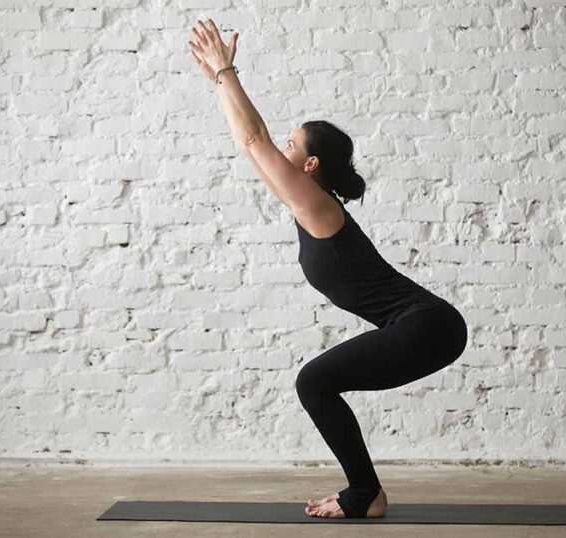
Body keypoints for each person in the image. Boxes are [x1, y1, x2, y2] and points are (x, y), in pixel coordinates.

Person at [188, 19, 468, 519]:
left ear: (311, 166)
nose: (282, 149)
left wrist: (228, 70)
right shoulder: (307, 204)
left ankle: (365, 493)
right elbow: (247, 141)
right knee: (316, 382)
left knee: (313, 382)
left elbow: (255, 139)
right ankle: (367, 491)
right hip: (427, 326)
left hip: (429, 325)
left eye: (292, 145)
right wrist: (217, 80)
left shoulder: (318, 206)